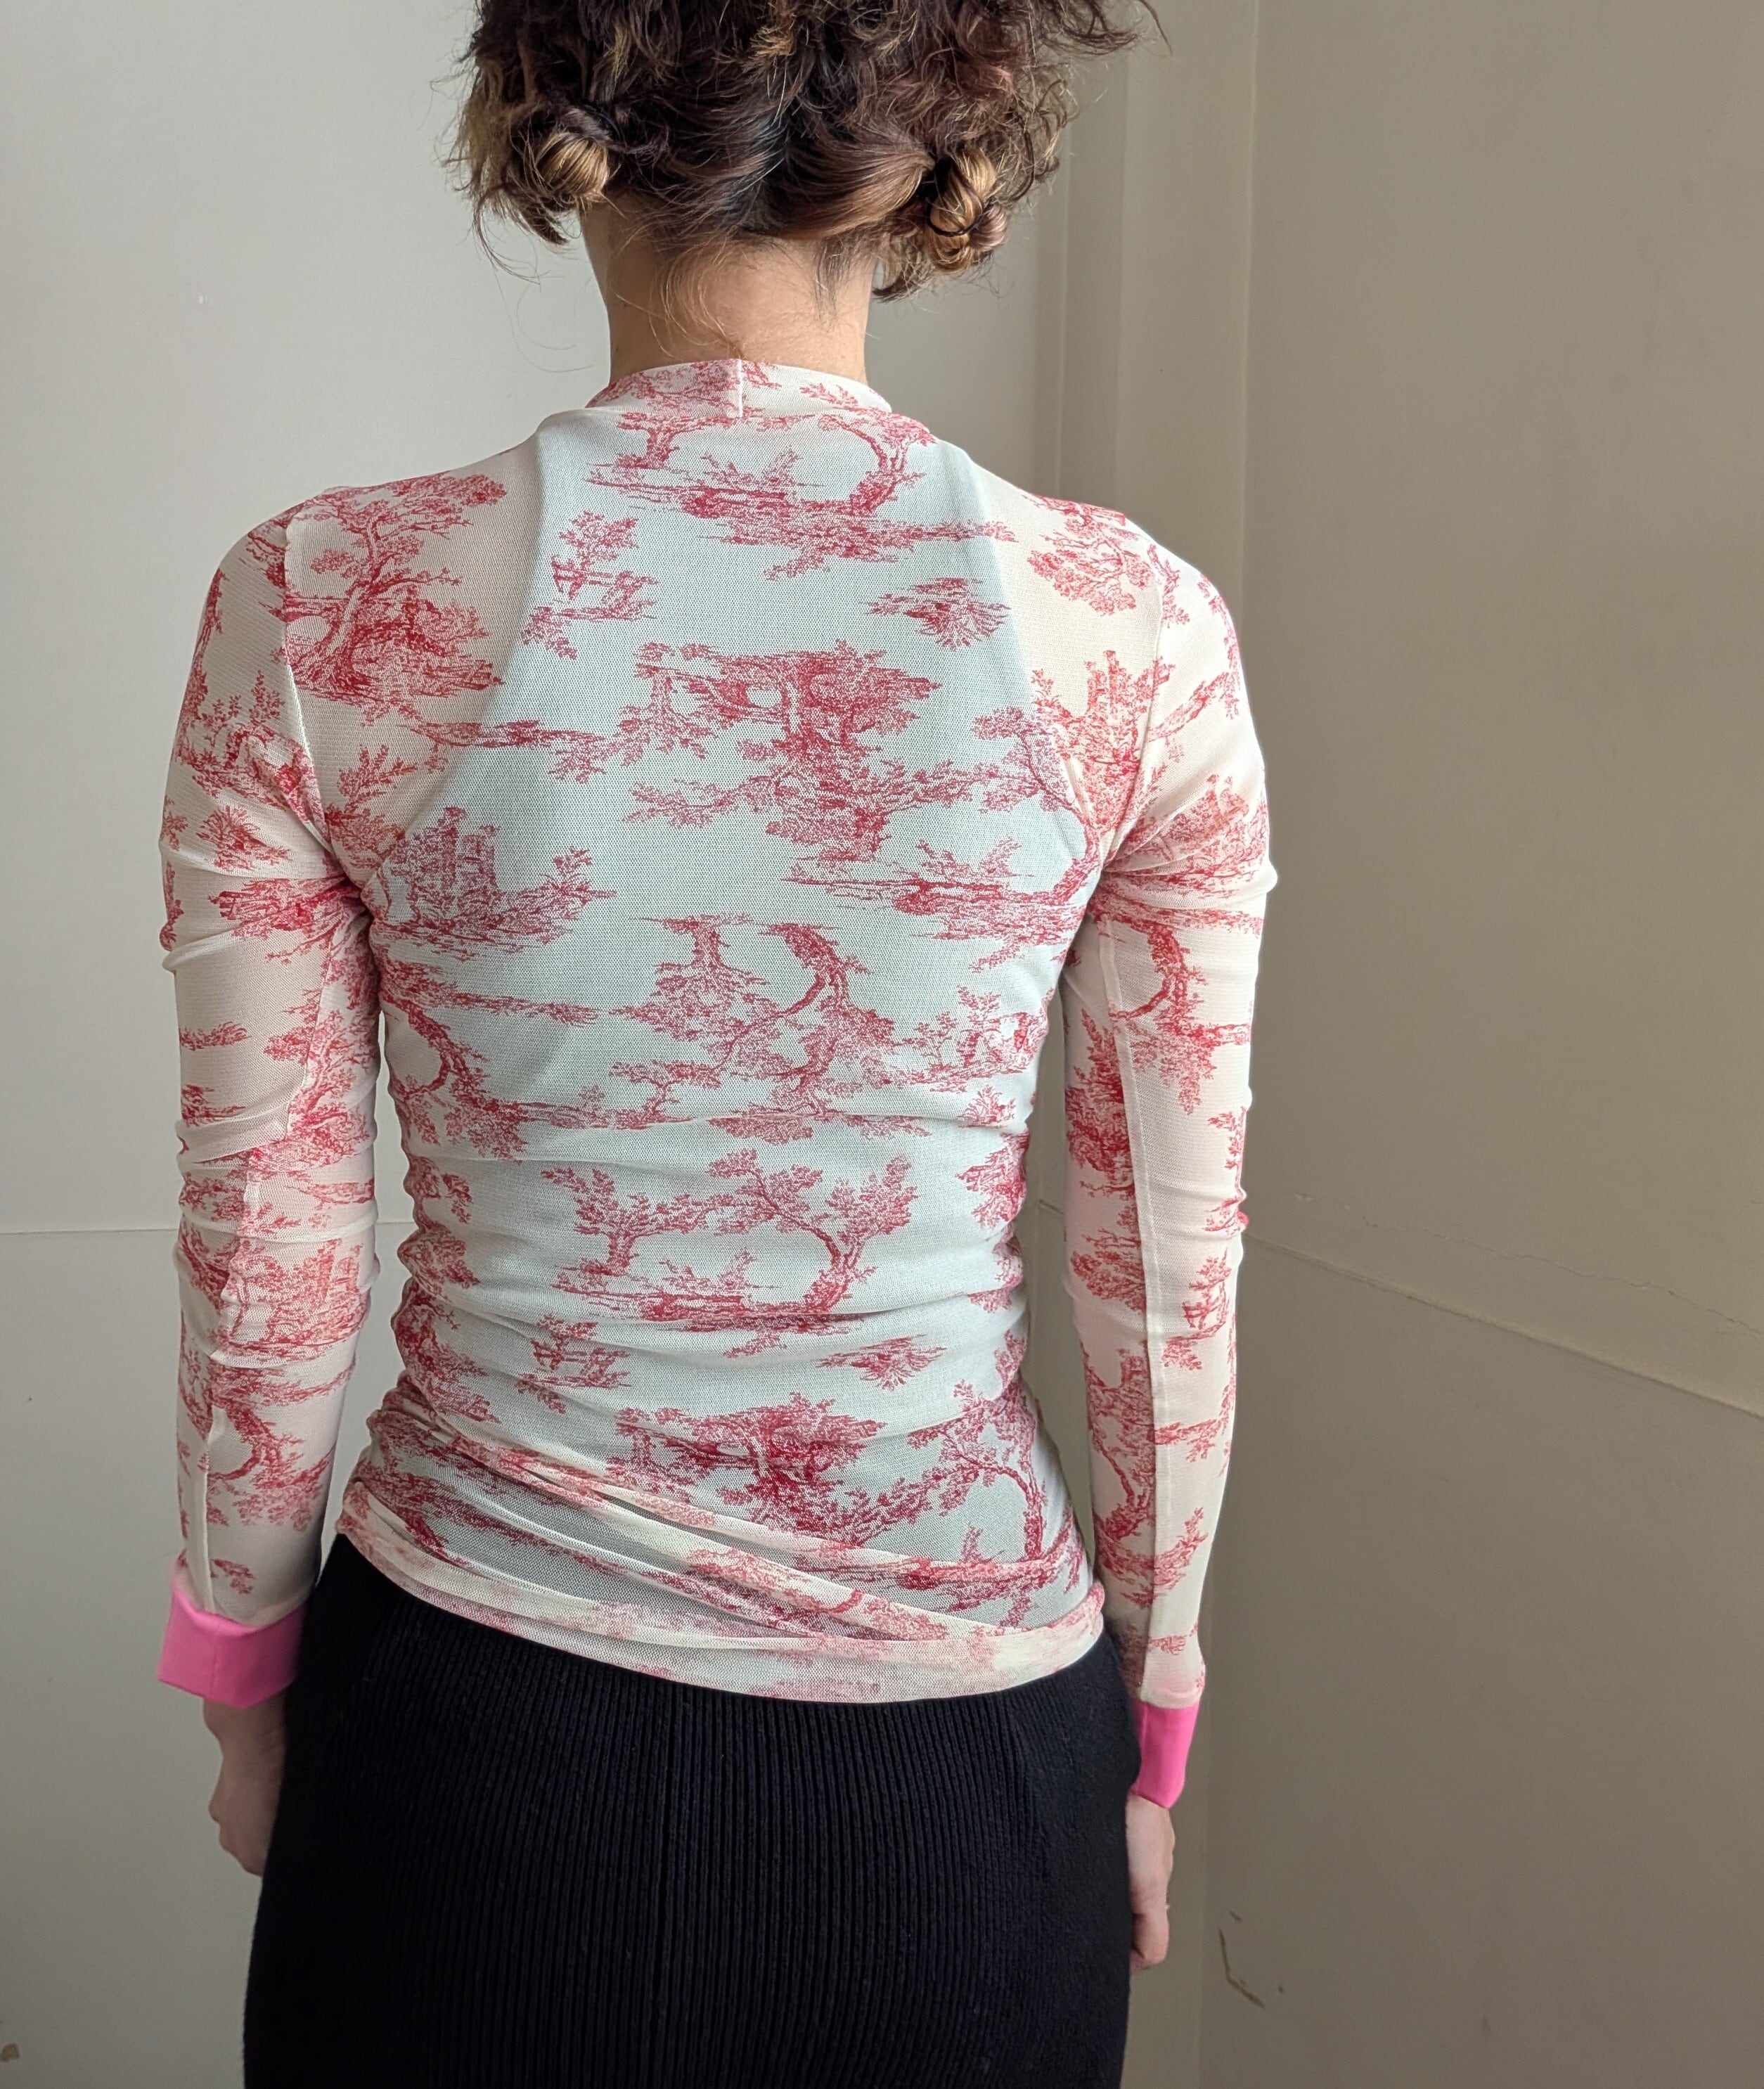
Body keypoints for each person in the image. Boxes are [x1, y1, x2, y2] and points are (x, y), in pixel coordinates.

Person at [155, 1, 1276, 2081]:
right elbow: (1163, 1269)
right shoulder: (1138, 633)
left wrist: (245, 1672)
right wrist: (1156, 1720)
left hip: (473, 1744)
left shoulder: (321, 600)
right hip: (970, 1785)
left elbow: (271, 1236)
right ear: (937, 158)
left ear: (551, 125)